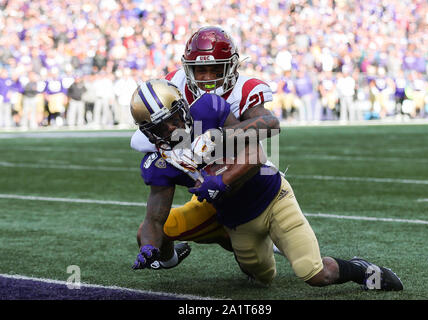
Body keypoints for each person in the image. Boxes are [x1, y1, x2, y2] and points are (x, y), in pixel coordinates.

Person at [130, 79, 404, 292]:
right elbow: (155, 217)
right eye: (159, 128)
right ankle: (243, 245)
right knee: (262, 279)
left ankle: (361, 269)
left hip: (273, 198)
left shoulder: (209, 110)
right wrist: (148, 247)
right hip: (237, 221)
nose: (170, 130)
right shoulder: (160, 162)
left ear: (183, 106)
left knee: (315, 274)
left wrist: (222, 180)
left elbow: (255, 154)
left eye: (173, 119)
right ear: (147, 132)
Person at [130, 26, 280, 252]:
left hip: (242, 172)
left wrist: (219, 137)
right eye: (200, 70)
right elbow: (139, 139)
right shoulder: (174, 83)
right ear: (187, 68)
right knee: (147, 233)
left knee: (257, 258)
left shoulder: (244, 88)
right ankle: (172, 256)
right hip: (203, 177)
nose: (208, 78)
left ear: (232, 65)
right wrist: (181, 148)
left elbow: (270, 124)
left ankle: (258, 237)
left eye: (216, 69)